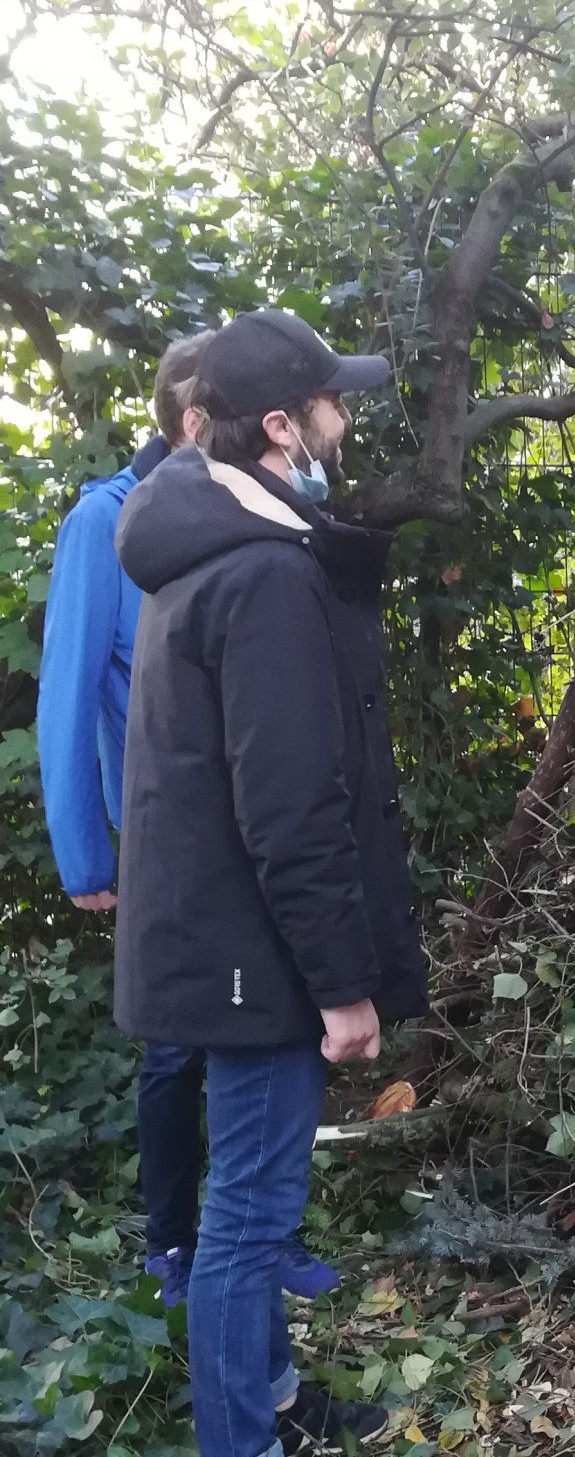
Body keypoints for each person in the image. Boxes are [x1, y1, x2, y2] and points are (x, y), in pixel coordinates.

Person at [114, 308, 426, 1457]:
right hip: (256, 955)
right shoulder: (261, 572)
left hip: (223, 940)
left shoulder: (219, 549)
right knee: (248, 1213)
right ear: (280, 426)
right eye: (329, 403)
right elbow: (289, 801)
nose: (347, 422)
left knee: (255, 1193)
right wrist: (341, 984)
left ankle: (276, 1396)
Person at [36, 338, 339, 1310]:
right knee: (176, 1049)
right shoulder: (108, 523)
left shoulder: (253, 523)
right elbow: (68, 691)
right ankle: (174, 1237)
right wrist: (84, 848)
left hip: (247, 824)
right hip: (163, 840)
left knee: (261, 1036)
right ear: (191, 422)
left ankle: (252, 1239)